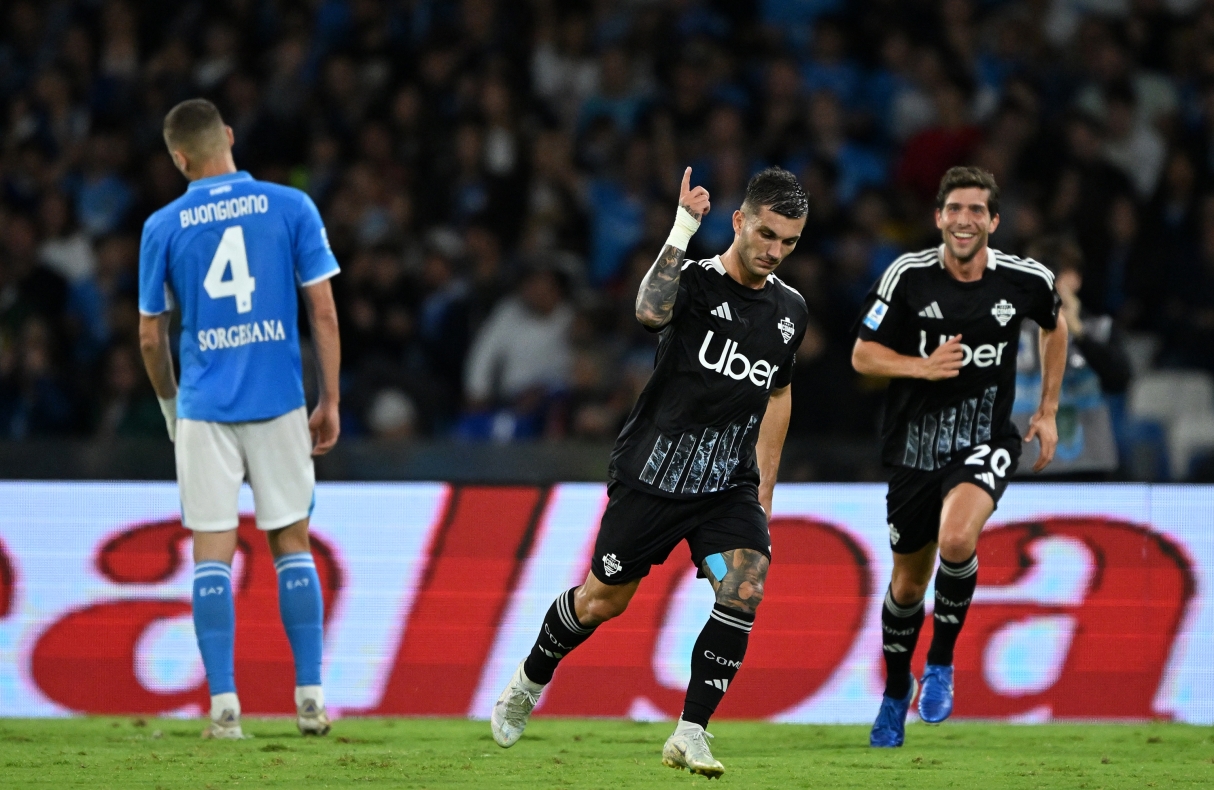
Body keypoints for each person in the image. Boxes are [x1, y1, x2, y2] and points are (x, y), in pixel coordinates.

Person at [490, 167, 809, 778]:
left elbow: (778, 395)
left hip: (727, 485)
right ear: (739, 222)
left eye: (789, 241)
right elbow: (646, 311)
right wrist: (684, 226)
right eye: (765, 234)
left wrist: (765, 483)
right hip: (654, 475)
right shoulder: (692, 282)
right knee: (602, 601)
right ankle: (531, 679)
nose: (774, 251)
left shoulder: (790, 311)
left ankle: (691, 732)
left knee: (745, 586)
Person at [138, 99, 341, 739]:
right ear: (227, 137)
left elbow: (150, 337)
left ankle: (225, 707)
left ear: (179, 158)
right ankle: (309, 697)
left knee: (212, 555)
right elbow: (325, 314)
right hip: (279, 401)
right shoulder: (291, 207)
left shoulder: (163, 226)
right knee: (291, 542)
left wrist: (171, 404)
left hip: (204, 408)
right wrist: (329, 399)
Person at [852, 166, 1066, 747]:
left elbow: (1055, 324)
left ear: (994, 221)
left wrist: (1046, 409)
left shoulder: (1026, 280)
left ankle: (942, 663)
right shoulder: (907, 276)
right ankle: (898, 688)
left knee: (957, 540)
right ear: (938, 217)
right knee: (905, 586)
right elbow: (863, 355)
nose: (965, 220)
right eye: (955, 209)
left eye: (977, 211)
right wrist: (920, 366)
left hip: (984, 440)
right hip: (914, 450)